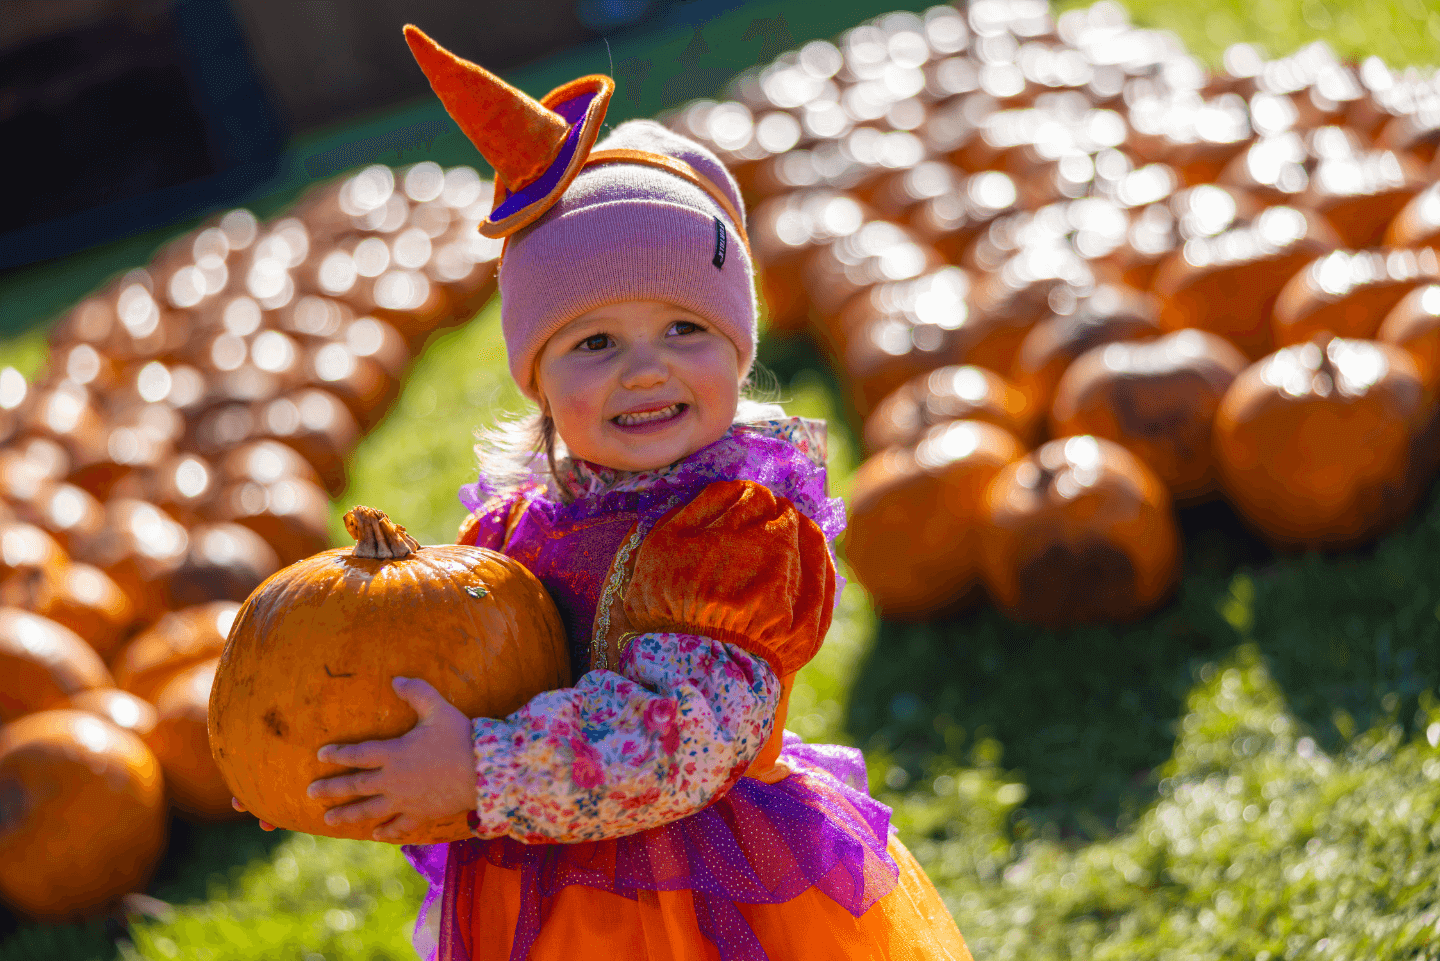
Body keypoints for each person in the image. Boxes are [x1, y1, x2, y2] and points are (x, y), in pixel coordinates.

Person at [242, 25, 975, 961]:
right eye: (594, 343)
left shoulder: (734, 530)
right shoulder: (512, 527)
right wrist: (314, 745)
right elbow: (459, 665)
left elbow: (685, 732)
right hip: (542, 887)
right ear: (536, 378)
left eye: (684, 328)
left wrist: (478, 768)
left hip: (712, 889)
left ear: (739, 346)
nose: (645, 370)